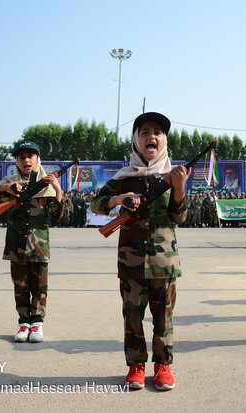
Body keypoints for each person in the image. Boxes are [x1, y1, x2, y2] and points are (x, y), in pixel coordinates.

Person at [91, 112, 189, 391]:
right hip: (131, 261)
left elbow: (180, 218)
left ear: (164, 140)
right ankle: (136, 365)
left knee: (164, 317)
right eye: (145, 131)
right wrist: (118, 198)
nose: (152, 137)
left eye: (158, 132)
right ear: (136, 140)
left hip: (165, 262)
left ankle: (163, 366)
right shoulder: (124, 177)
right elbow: (96, 204)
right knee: (132, 317)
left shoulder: (171, 176)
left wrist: (179, 187)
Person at [0, 142, 62, 343]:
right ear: (17, 161)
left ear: (37, 159)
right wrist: (8, 188)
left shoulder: (47, 187)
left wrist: (57, 189)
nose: (26, 160)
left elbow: (59, 216)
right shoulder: (10, 182)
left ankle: (37, 323)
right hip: (16, 244)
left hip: (39, 246)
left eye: (30, 156)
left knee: (40, 287)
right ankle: (23, 322)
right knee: (20, 286)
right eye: (21, 157)